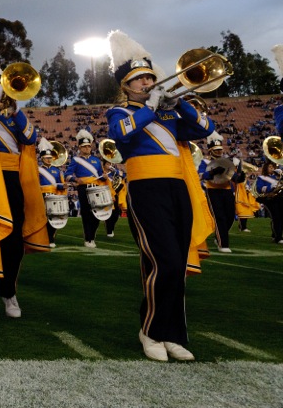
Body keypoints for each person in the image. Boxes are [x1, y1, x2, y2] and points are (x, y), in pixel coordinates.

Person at [105, 30, 215, 362]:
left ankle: (173, 334)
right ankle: (151, 331)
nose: (148, 83)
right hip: (145, 189)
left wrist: (178, 102)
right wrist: (150, 107)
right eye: (140, 79)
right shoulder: (119, 113)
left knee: (176, 264)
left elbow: (205, 129)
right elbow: (121, 135)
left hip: (177, 187)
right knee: (162, 260)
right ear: (125, 85)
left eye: (150, 77)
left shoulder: (169, 112)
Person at [0, 49, 48, 323]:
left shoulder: (13, 114)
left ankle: (9, 293)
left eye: (0, 90)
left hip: (12, 180)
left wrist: (15, 110)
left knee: (13, 242)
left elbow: (31, 138)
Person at [199, 132, 244, 253]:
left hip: (227, 191)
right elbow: (201, 175)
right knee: (220, 217)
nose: (219, 152)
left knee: (229, 217)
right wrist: (212, 172)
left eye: (220, 150)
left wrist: (240, 177)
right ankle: (223, 244)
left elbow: (233, 177)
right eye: (216, 150)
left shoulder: (226, 162)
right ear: (210, 150)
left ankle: (219, 235)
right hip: (213, 191)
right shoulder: (205, 162)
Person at [64, 129, 106, 248]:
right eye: (84, 146)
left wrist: (104, 177)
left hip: (96, 188)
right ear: (80, 147)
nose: (87, 148)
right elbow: (67, 175)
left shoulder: (97, 160)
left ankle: (92, 236)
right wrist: (76, 180)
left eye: (88, 146)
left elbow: (100, 176)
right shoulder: (76, 160)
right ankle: (88, 239)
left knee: (98, 215)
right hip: (83, 189)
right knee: (87, 214)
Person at [37, 138, 66, 248]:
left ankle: (51, 238)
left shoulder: (57, 170)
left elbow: (59, 184)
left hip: (54, 196)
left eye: (50, 158)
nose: (48, 160)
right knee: (43, 219)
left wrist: (63, 186)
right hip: (42, 196)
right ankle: (44, 238)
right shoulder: (37, 170)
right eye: (46, 158)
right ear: (42, 159)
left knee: (54, 218)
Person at [254, 161, 283, 244]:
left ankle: (275, 235)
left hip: (279, 198)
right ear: (265, 168)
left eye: (273, 167)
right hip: (270, 199)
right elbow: (259, 188)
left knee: (280, 217)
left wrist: (280, 176)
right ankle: (278, 237)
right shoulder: (262, 177)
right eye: (270, 167)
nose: (272, 168)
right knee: (276, 217)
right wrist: (270, 187)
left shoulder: (277, 177)